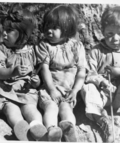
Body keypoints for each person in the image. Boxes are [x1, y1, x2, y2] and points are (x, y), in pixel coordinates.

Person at [0, 5, 47, 141]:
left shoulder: (32, 51)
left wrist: (36, 81)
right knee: (11, 109)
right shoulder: (1, 49)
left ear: (24, 35)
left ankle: (37, 126)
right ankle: (20, 127)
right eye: (4, 29)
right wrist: (11, 72)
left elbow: (36, 74)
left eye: (9, 31)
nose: (4, 33)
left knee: (31, 109)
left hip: (25, 91)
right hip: (5, 90)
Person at [81, 6, 120, 143]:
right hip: (103, 96)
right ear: (102, 31)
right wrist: (101, 81)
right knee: (87, 88)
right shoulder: (96, 51)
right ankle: (103, 121)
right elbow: (89, 72)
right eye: (110, 34)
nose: (115, 39)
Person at [35, 5, 87, 142]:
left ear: (67, 30)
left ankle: (69, 130)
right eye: (47, 26)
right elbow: (45, 68)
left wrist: (75, 91)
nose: (48, 31)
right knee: (51, 107)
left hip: (68, 89)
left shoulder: (77, 46)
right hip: (49, 87)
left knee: (66, 108)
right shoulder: (44, 45)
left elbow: (82, 70)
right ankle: (52, 130)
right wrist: (51, 89)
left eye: (54, 28)